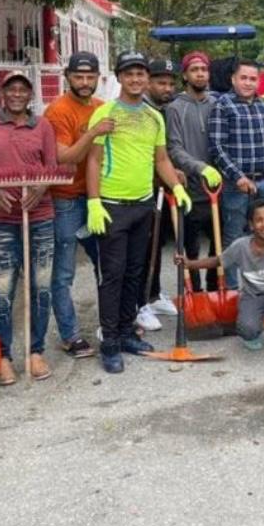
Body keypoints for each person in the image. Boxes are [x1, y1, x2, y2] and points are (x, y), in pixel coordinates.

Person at [85, 51, 192, 374]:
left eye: (140, 74)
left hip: (143, 205)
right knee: (113, 276)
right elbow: (93, 160)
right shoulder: (105, 113)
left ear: (147, 78)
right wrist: (93, 201)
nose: (135, 79)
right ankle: (110, 342)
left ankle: (127, 331)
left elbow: (161, 159)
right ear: (119, 77)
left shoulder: (153, 117)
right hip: (112, 206)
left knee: (135, 272)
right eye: (129, 74)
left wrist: (176, 187)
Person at [0, 70, 59, 385]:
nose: (17, 94)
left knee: (41, 286)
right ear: (3, 94)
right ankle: (3, 355)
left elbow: (51, 166)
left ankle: (36, 351)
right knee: (3, 289)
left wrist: (41, 187)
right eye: (11, 89)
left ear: (30, 95)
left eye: (23, 89)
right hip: (2, 222)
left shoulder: (42, 126)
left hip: (40, 218)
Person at [179, 199, 264, 358]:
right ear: (251, 225)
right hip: (253, 297)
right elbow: (217, 261)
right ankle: (253, 327)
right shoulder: (241, 246)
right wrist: (189, 264)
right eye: (259, 220)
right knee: (248, 331)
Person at [43, 51, 110, 359]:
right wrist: (94, 132)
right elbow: (63, 157)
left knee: (106, 265)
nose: (84, 82)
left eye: (90, 77)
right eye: (79, 76)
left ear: (98, 78)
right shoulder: (57, 111)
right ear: (67, 77)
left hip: (97, 197)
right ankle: (70, 335)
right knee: (63, 272)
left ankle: (111, 325)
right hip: (66, 199)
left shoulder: (102, 107)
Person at [208, 59, 264, 286]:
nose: (248, 83)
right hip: (236, 185)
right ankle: (233, 288)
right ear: (233, 79)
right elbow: (217, 147)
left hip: (263, 182)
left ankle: (262, 285)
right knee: (234, 238)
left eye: (253, 79)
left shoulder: (263, 105)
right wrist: (238, 176)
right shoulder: (223, 105)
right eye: (243, 78)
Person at [166, 51, 223, 293]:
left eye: (204, 69)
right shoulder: (175, 108)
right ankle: (195, 293)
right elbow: (174, 148)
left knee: (219, 244)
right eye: (194, 70)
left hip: (216, 189)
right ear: (185, 75)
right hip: (190, 189)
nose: (200, 74)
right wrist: (200, 167)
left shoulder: (217, 104)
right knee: (190, 247)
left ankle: (214, 288)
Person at [134, 57, 183, 331]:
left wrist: (173, 174)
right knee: (142, 249)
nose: (167, 88)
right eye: (161, 83)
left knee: (157, 242)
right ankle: (138, 303)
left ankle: (153, 295)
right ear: (148, 82)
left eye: (170, 83)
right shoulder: (140, 110)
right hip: (141, 189)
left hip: (164, 188)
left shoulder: (165, 110)